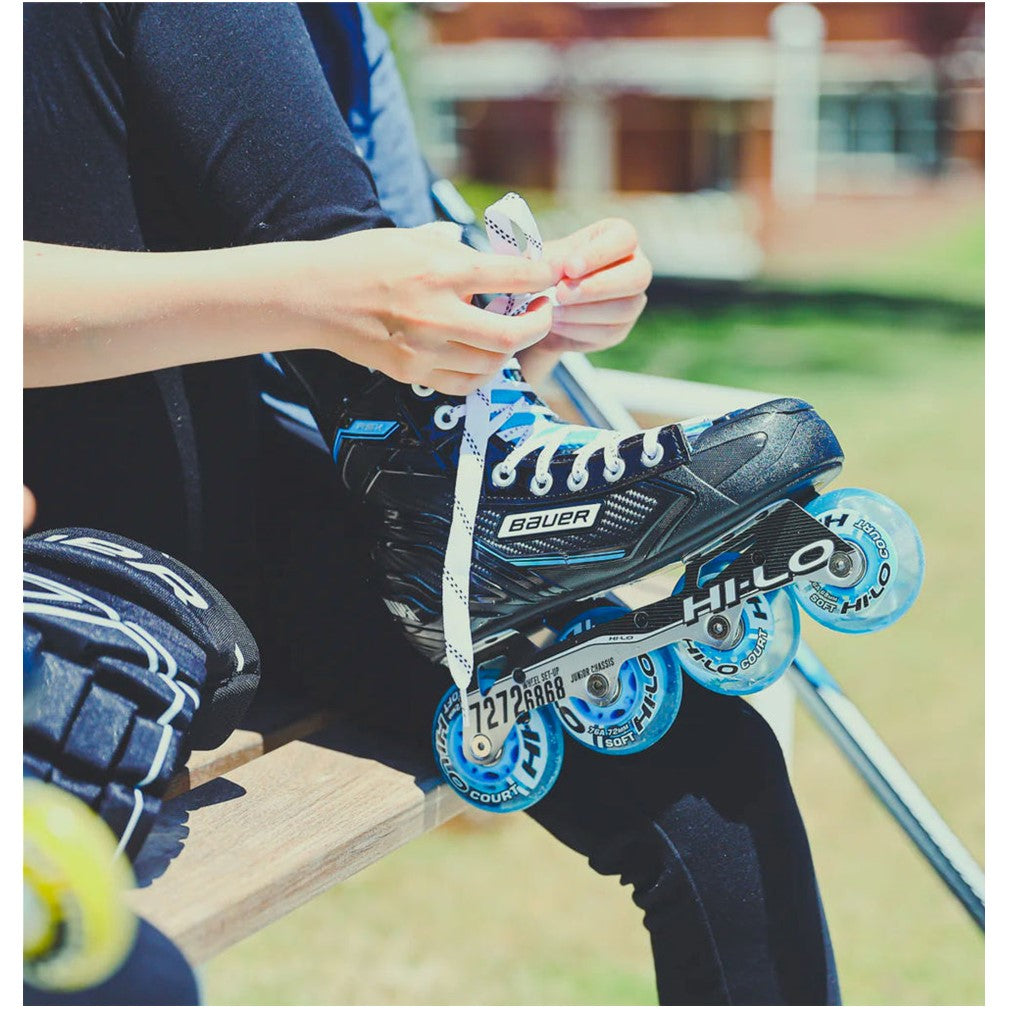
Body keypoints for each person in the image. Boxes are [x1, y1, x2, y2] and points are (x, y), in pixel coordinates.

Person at [24, 4, 839, 1004]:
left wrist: (513, 317)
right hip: (68, 523)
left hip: (289, 504)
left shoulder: (340, 29)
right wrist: (321, 294)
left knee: (714, 772)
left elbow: (374, 311)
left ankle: (464, 480)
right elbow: (329, 289)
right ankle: (460, 482)